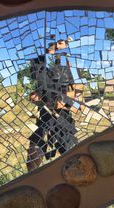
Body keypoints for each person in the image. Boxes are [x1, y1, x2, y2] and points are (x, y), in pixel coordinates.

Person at [26, 41, 80, 172]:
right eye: (61, 43)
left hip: (63, 118)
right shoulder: (36, 64)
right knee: (34, 152)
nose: (63, 45)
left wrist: (64, 103)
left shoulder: (65, 64)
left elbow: (76, 93)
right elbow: (30, 92)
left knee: (70, 154)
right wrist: (34, 97)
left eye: (63, 44)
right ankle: (33, 180)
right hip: (44, 116)